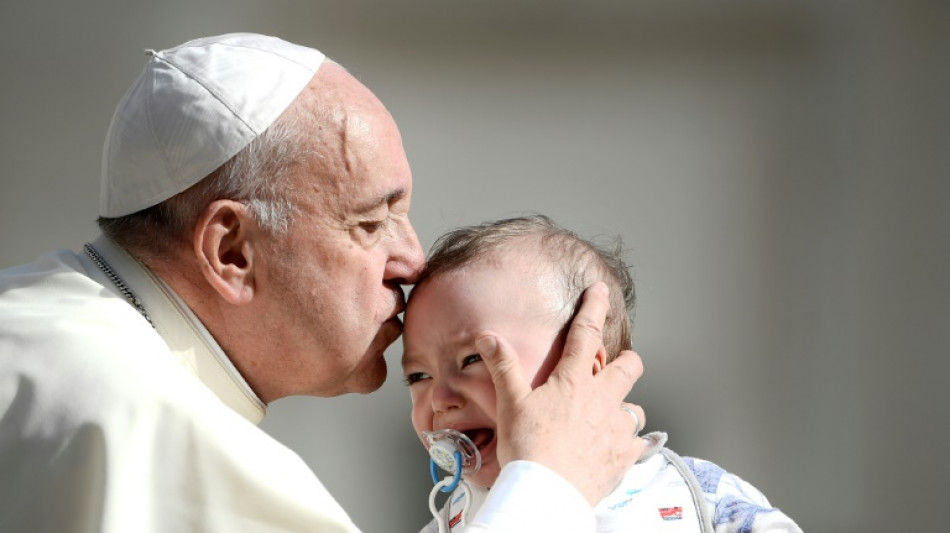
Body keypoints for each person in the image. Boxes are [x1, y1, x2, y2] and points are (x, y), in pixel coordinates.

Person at [0, 33, 648, 532]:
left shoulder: (34, 319)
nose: (413, 260)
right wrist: (550, 484)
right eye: (372, 221)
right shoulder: (148, 424)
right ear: (232, 250)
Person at [402, 215, 802, 532]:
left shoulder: (694, 494)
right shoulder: (450, 521)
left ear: (582, 369)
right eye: (418, 377)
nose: (440, 398)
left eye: (473, 359)